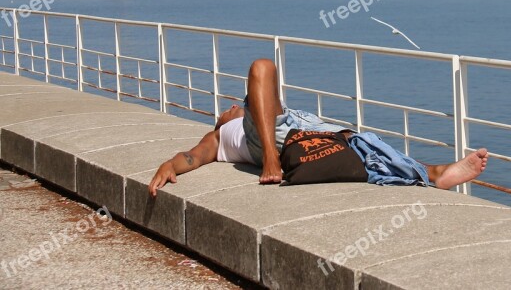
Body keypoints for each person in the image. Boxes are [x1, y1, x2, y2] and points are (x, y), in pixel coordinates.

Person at [149, 59, 488, 197]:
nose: (229, 107)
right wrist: (170, 165)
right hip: (275, 141)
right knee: (263, 66)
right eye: (227, 110)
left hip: (301, 127)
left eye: (232, 107)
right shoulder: (220, 136)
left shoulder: (250, 118)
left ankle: (433, 172)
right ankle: (271, 158)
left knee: (359, 144)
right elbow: (191, 158)